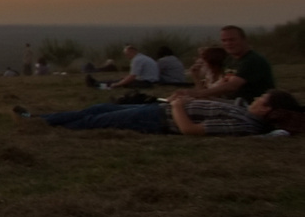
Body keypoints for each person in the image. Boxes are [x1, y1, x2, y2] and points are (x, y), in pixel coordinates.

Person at [15, 89, 300, 136]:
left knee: (95, 121)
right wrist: (185, 97)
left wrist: (177, 106)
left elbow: (190, 131)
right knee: (98, 108)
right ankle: (40, 118)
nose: (255, 100)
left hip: (158, 119)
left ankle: (45, 125)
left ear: (269, 110)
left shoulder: (246, 127)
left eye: (261, 99)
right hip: (159, 108)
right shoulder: (243, 114)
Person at [176, 26, 274, 103]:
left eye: (232, 40)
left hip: (247, 105)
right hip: (228, 102)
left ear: (244, 39)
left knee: (185, 105)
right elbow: (215, 89)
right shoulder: (230, 60)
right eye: (224, 40)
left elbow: (231, 86)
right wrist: (196, 79)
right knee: (179, 100)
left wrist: (197, 94)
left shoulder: (252, 60)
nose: (228, 43)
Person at [88, 45, 158, 90]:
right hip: (150, 80)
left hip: (146, 82)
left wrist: (117, 84)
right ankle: (97, 83)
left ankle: (98, 84)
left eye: (127, 54)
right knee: (122, 80)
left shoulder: (137, 60)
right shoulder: (143, 58)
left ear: (131, 52)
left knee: (121, 83)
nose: (127, 57)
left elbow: (132, 76)